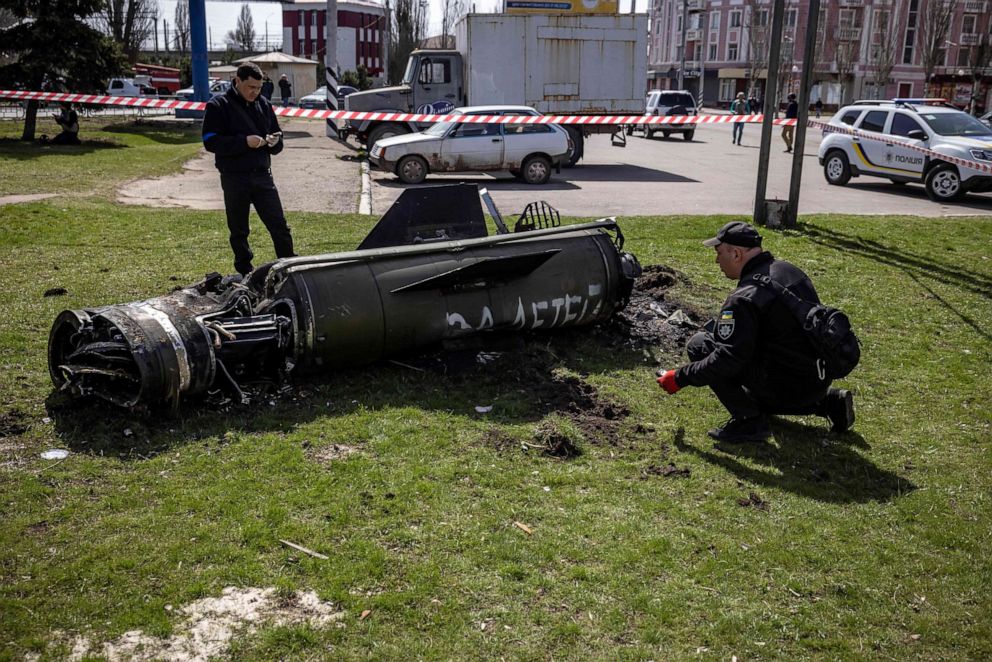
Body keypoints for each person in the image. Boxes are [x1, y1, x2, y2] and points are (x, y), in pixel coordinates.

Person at [655, 221, 855, 443]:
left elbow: (727, 360)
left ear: (736, 254)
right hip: (817, 380)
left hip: (787, 389)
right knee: (758, 372)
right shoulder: (789, 270)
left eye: (719, 253)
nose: (716, 260)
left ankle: (748, 422)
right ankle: (829, 402)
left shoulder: (744, 298)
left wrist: (679, 378)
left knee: (700, 345)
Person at [202, 62, 296, 277]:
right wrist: (244, 142)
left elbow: (277, 135)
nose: (255, 92)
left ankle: (289, 266)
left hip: (262, 175)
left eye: (259, 87)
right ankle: (245, 271)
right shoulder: (218, 105)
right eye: (251, 87)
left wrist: (275, 141)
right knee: (239, 230)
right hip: (234, 177)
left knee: (279, 225)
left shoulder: (263, 104)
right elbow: (210, 141)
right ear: (237, 81)